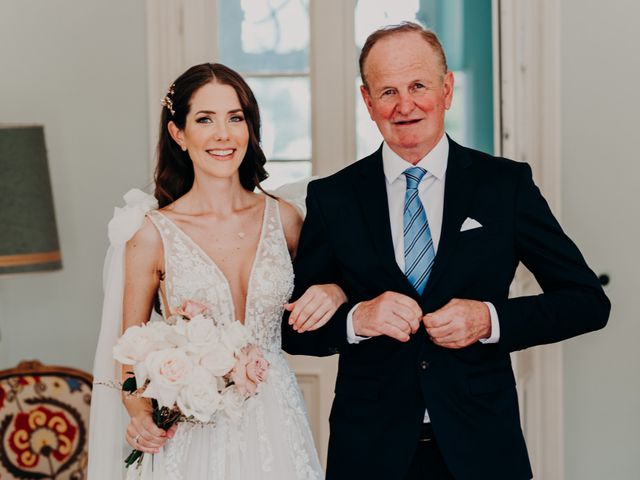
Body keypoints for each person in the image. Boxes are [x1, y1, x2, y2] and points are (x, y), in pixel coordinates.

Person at [282, 22, 610, 480]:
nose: (405, 105)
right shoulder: (332, 198)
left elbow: (587, 302)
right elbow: (293, 331)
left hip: (483, 447)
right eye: (388, 91)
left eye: (418, 85)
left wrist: (488, 320)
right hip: (369, 453)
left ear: (447, 88)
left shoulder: (505, 186)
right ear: (368, 102)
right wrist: (358, 319)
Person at [88, 62, 347, 479]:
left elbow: (334, 287)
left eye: (235, 118)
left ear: (250, 128)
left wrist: (335, 290)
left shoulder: (284, 219)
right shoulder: (152, 235)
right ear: (178, 133)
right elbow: (128, 359)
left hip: (278, 423)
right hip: (193, 437)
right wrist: (139, 416)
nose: (223, 134)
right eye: (205, 119)